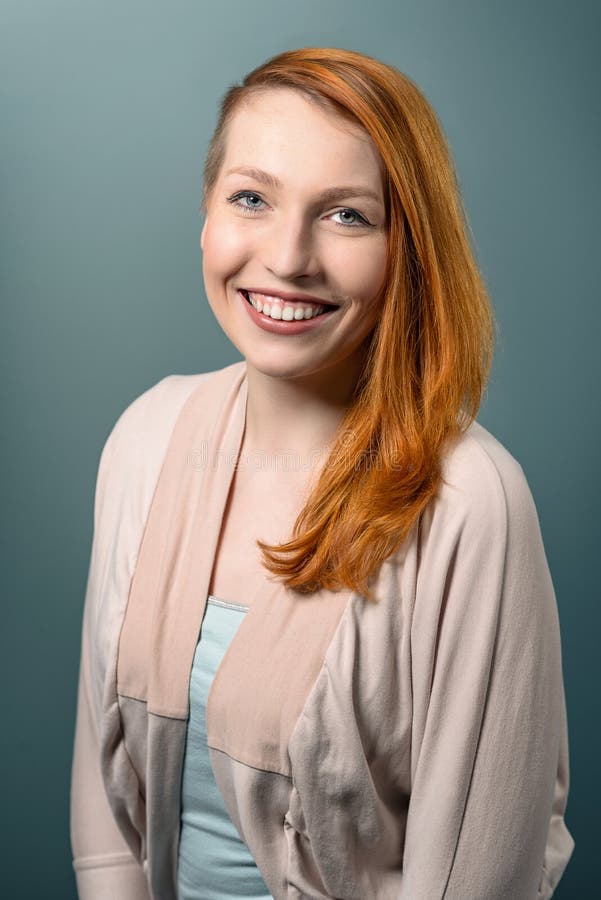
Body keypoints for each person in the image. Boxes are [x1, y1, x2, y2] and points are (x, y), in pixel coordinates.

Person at [70, 47, 575, 900]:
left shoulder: (471, 506)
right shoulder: (146, 434)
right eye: (251, 199)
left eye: (344, 216)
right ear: (206, 213)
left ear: (404, 248)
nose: (288, 257)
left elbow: (479, 872)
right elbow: (104, 788)